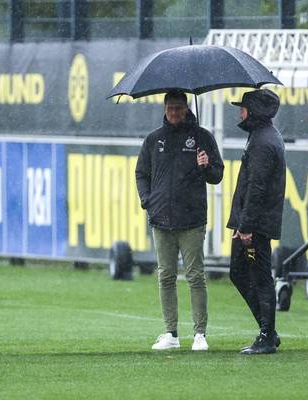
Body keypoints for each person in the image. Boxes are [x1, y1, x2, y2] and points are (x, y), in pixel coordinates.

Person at [136, 89, 224, 351]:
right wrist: (147, 200)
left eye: (179, 108)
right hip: (161, 219)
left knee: (196, 276)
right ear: (164, 109)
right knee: (166, 277)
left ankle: (200, 334)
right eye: (170, 108)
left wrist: (206, 165)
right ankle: (171, 333)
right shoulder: (154, 140)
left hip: (192, 219)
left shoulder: (202, 138)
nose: (174, 112)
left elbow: (217, 175)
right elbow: (141, 173)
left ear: (186, 108)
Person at [227, 89, 286, 355]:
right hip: (251, 222)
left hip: (255, 225)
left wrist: (246, 226)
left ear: (255, 111)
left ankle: (266, 334)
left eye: (244, 107)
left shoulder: (263, 142)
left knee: (260, 277)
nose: (240, 112)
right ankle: (268, 331)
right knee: (238, 272)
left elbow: (257, 187)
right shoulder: (262, 137)